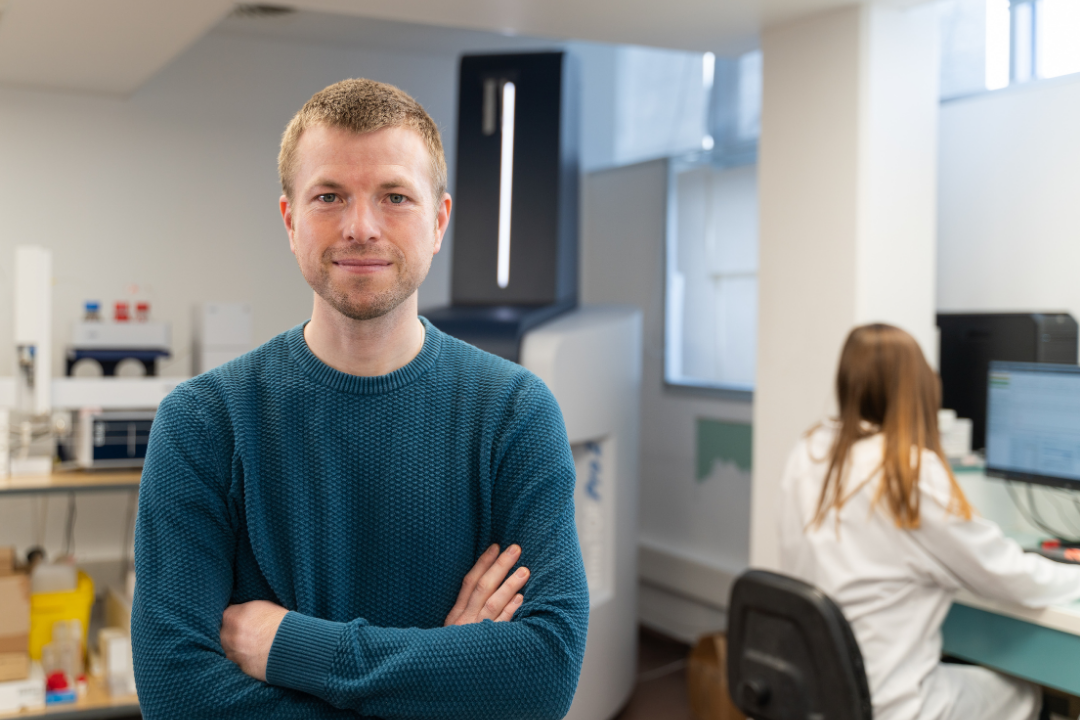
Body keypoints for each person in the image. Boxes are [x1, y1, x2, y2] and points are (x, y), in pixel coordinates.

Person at [131, 78, 589, 719]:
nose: (360, 227)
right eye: (329, 196)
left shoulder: (514, 414)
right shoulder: (205, 423)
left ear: (439, 220)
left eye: (395, 196)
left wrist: (292, 646)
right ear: (291, 221)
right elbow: (177, 696)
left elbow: (543, 675)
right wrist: (448, 677)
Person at [778, 323, 1080, 720]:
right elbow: (1004, 574)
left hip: (819, 692)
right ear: (917, 387)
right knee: (1025, 693)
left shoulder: (811, 449)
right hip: (889, 703)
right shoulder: (907, 469)